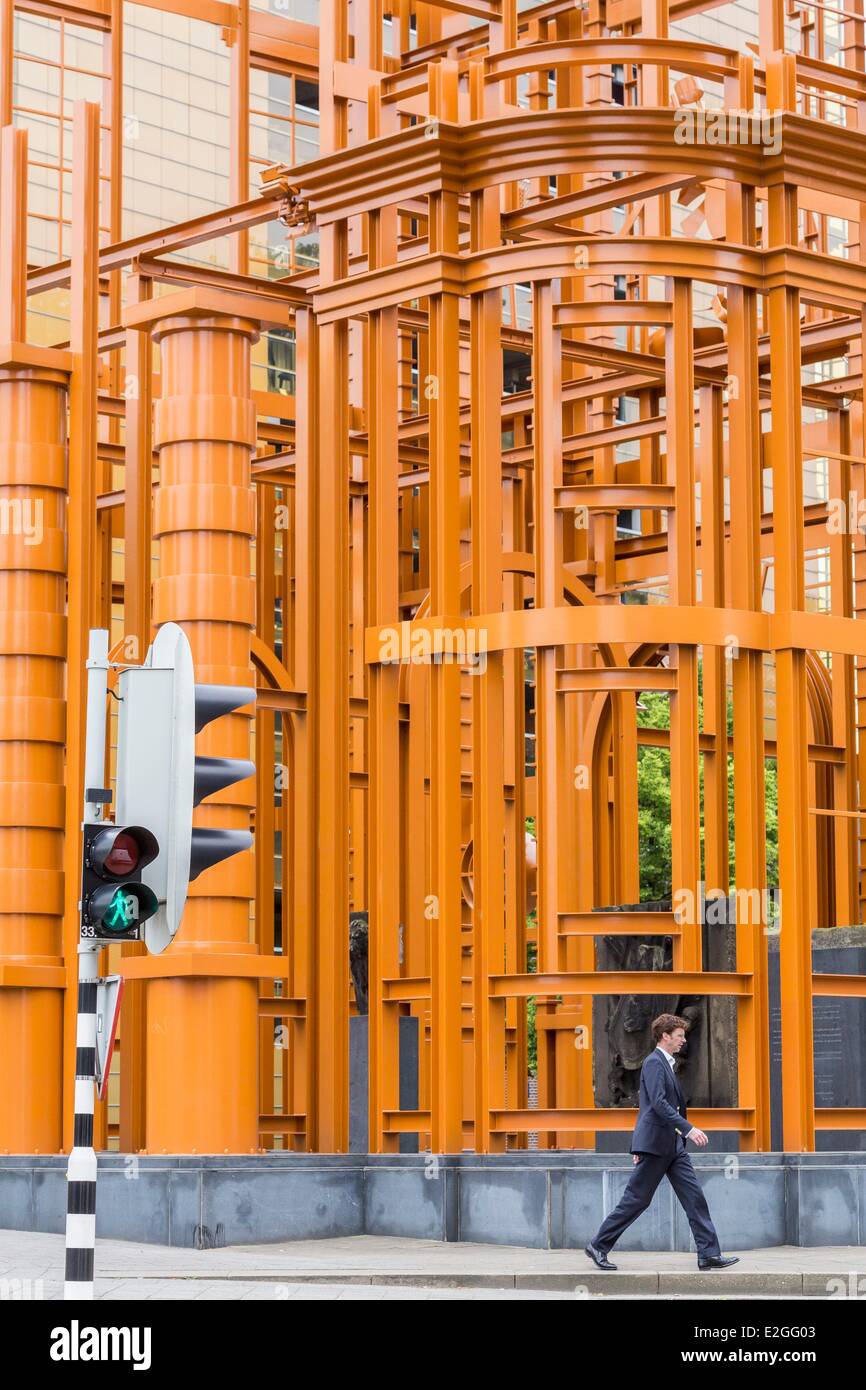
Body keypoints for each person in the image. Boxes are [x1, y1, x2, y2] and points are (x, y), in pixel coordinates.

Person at [584, 1013, 739, 1271]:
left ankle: (708, 1253)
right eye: (679, 1036)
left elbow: (647, 1107)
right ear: (665, 1036)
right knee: (636, 1200)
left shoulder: (666, 1064)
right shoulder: (654, 1063)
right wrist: (687, 1130)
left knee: (694, 1197)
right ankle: (598, 1245)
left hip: (672, 1147)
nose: (683, 1041)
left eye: (683, 1036)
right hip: (657, 1146)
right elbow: (656, 1104)